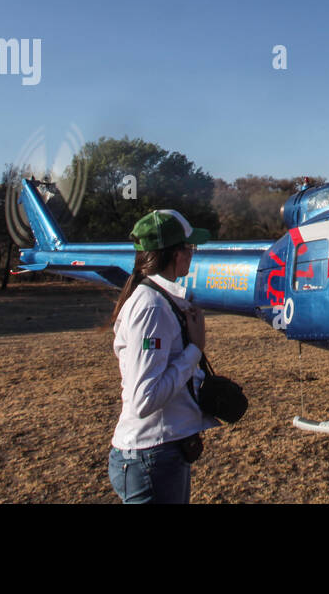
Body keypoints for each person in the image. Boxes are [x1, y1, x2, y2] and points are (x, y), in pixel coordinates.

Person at [106, 209, 216, 504]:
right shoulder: (151, 307)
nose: (193, 254)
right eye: (190, 248)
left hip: (160, 453)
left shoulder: (159, 300)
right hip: (150, 457)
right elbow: (145, 398)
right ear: (175, 254)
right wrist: (194, 349)